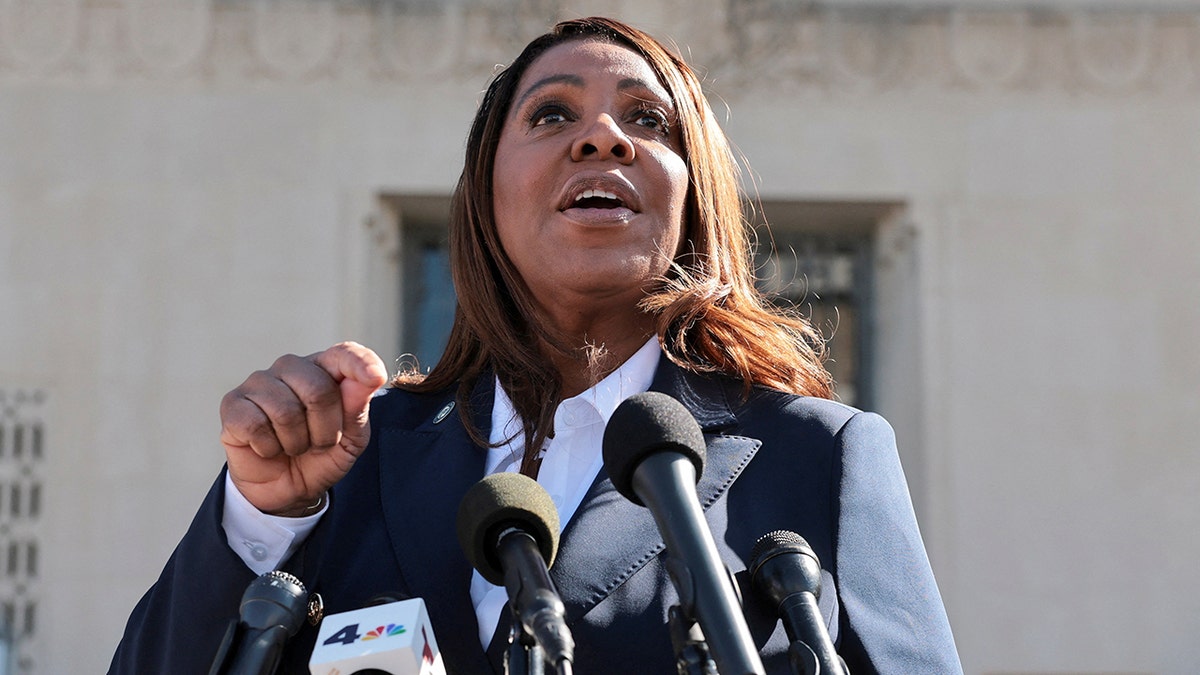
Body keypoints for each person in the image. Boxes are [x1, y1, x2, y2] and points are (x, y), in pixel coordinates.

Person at [110, 16, 961, 674]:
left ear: (692, 195)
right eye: (552, 113)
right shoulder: (352, 456)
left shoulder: (818, 455)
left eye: (648, 120)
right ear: (486, 196)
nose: (603, 138)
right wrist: (262, 516)